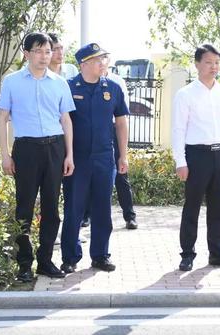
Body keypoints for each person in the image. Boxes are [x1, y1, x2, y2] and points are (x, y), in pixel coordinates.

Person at [0, 32, 75, 281]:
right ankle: (24, 264)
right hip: (26, 149)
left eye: (48, 51)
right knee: (24, 208)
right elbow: (2, 118)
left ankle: (45, 261)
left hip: (55, 148)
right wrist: (5, 155)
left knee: (52, 208)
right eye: (39, 51)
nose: (44, 56)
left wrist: (69, 155)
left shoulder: (60, 83)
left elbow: (66, 120)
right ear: (26, 53)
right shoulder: (12, 81)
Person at [60, 43, 129, 273]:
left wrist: (123, 156)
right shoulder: (68, 87)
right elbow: (63, 122)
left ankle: (100, 255)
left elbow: (121, 123)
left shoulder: (113, 88)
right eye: (97, 59)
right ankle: (70, 257)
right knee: (74, 208)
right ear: (84, 64)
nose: (103, 63)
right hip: (77, 158)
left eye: (104, 58)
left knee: (102, 209)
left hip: (104, 158)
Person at [172, 44, 220, 272]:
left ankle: (217, 253)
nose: (214, 67)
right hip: (196, 155)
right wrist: (180, 161)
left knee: (216, 208)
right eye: (209, 62)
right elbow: (178, 130)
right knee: (192, 206)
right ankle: (187, 254)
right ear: (198, 64)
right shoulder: (185, 94)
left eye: (217, 63)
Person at [105, 66, 138, 229]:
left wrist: (123, 152)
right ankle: (86, 216)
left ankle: (130, 216)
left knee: (121, 173)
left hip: (114, 128)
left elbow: (122, 114)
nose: (100, 62)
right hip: (96, 131)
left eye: (103, 58)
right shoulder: (81, 81)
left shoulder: (117, 82)